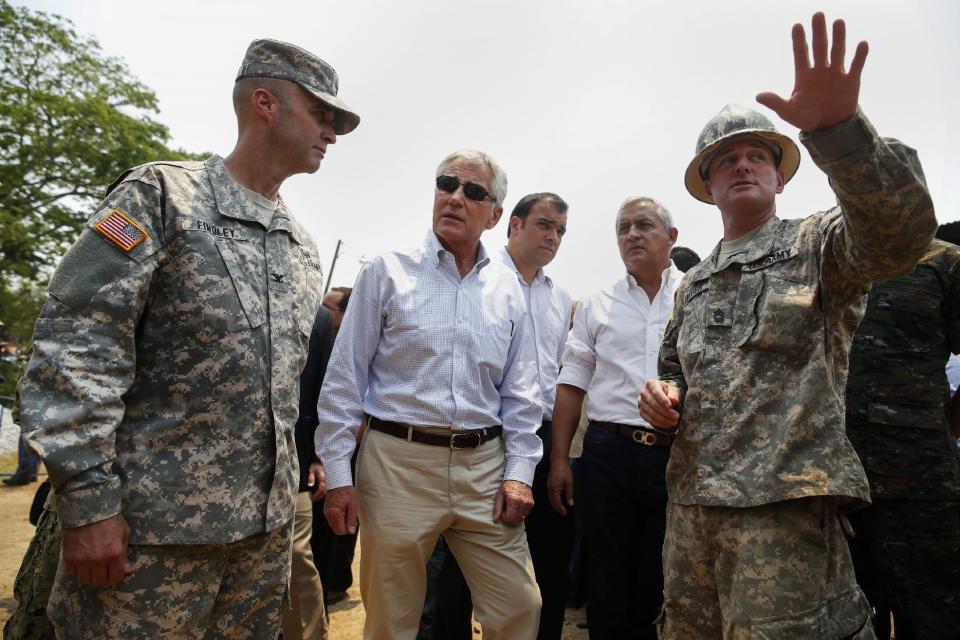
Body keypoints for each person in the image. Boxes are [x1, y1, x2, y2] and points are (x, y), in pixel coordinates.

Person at [17, 39, 358, 638]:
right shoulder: (160, 198)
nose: (332, 132)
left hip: (260, 543)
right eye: (322, 113)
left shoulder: (299, 246)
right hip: (149, 539)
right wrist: (89, 502)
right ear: (265, 103)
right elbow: (78, 348)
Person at [639, 13, 935, 639]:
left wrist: (840, 133)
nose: (742, 165)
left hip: (785, 513)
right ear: (707, 185)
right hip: (693, 512)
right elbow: (674, 375)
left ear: (779, 174)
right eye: (725, 160)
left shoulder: (818, 245)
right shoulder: (692, 283)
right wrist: (662, 400)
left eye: (757, 154)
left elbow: (898, 235)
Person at [317, 150, 543, 640]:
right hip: (397, 465)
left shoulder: (508, 290)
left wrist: (520, 474)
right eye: (447, 184)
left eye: (474, 192)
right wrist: (338, 475)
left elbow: (523, 394)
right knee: (391, 621)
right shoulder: (386, 271)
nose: (456, 198)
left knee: (520, 607)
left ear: (495, 214)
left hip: (484, 468)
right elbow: (343, 381)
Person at [418, 192, 573, 640]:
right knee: (455, 568)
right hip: (479, 438)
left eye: (560, 230)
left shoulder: (560, 298)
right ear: (514, 226)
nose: (553, 237)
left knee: (543, 562)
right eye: (544, 224)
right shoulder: (477, 279)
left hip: (539, 436)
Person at [549, 196, 681, 639]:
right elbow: (571, 384)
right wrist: (561, 459)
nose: (631, 235)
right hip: (609, 455)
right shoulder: (597, 304)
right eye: (623, 227)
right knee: (606, 574)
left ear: (672, 237)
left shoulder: (696, 296)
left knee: (663, 574)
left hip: (677, 456)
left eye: (644, 225)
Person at [844, 238, 960, 640]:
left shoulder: (944, 262)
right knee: (846, 620)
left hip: (920, 483)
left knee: (934, 616)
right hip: (834, 484)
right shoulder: (822, 260)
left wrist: (944, 426)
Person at [284, 305, 337, 640]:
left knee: (296, 561)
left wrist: (321, 455)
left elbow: (326, 385)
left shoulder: (314, 315)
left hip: (295, 464)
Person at [311, 285, 358, 607]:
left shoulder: (353, 348)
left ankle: (335, 582)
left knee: (340, 525)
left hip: (346, 446)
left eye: (329, 309)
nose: (323, 314)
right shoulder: (325, 342)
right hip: (327, 444)